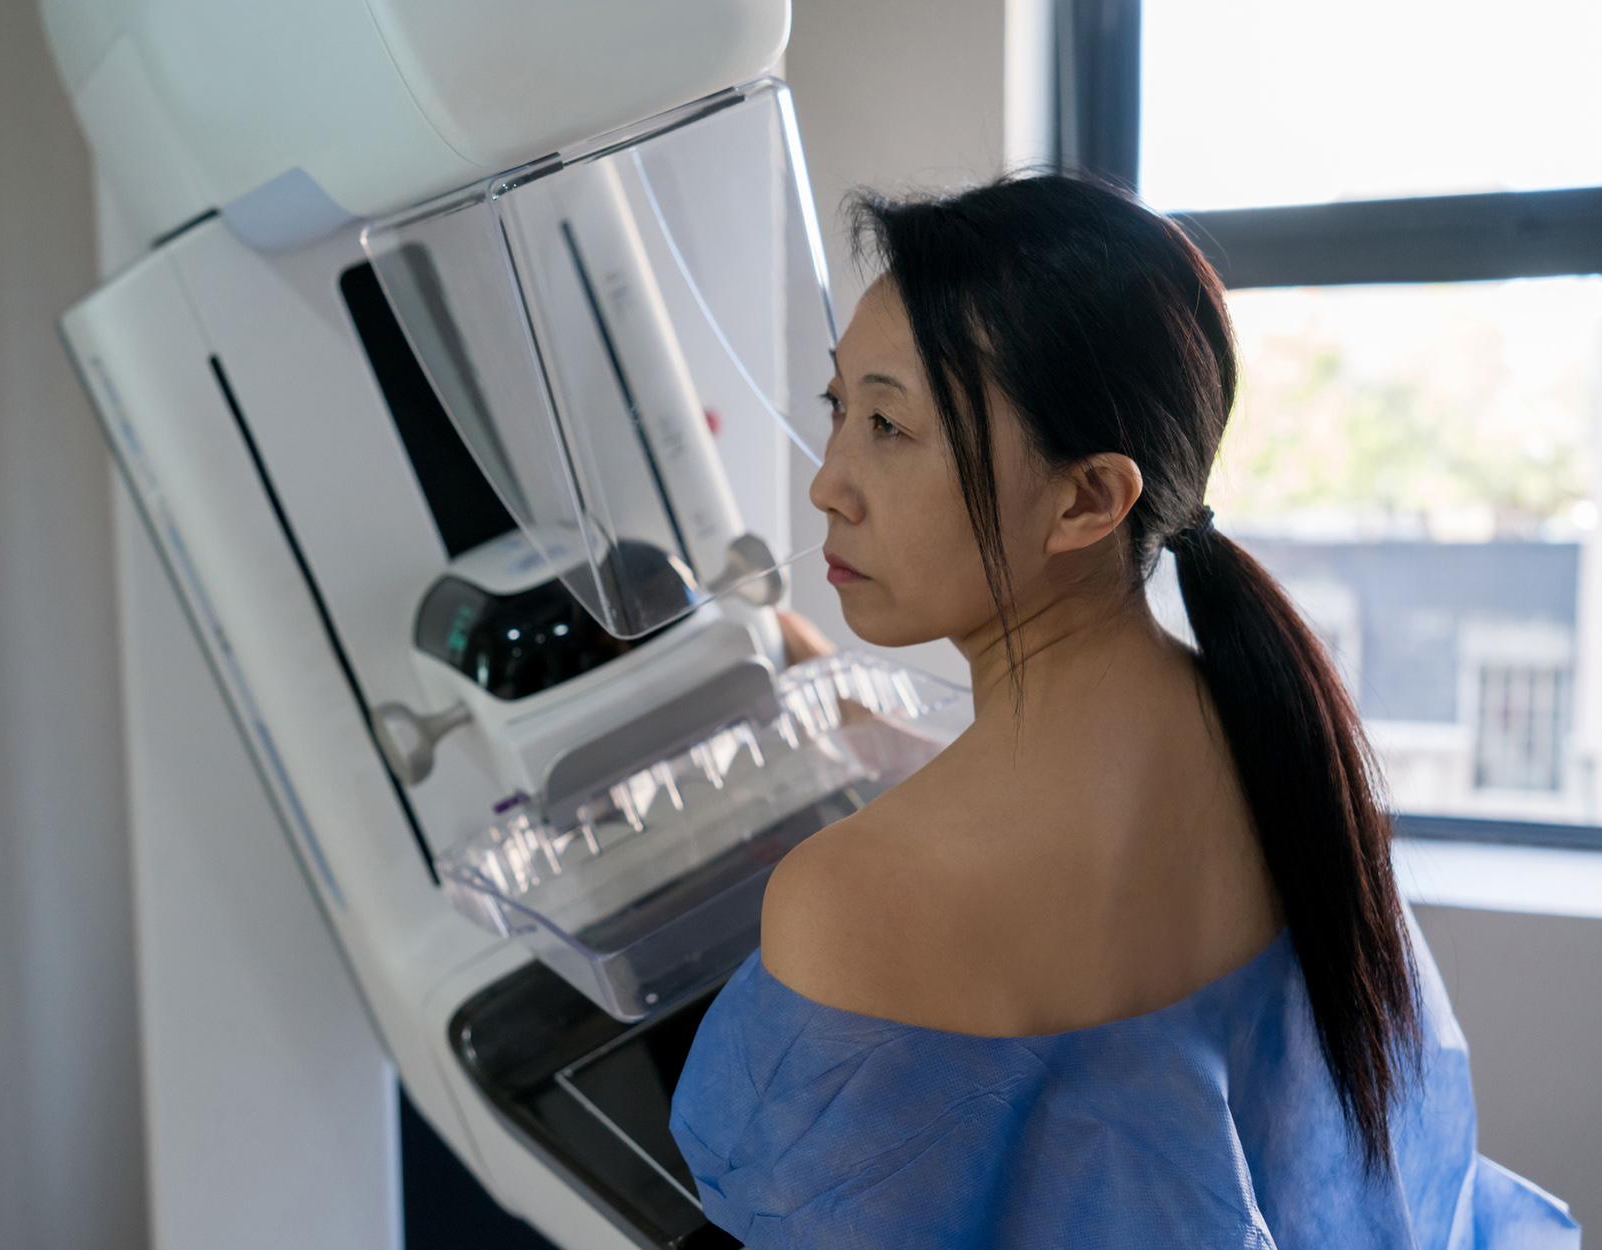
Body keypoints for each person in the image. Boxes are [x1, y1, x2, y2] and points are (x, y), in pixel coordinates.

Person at [669, 174, 1579, 1248]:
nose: (830, 482)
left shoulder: (840, 903)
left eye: (889, 424)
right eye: (838, 409)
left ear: (1090, 497)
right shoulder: (1274, 733)